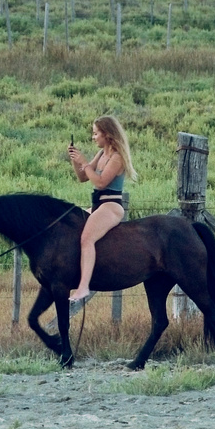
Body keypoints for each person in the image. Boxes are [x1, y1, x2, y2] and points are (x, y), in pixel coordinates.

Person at [65, 115, 137, 312]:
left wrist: (85, 163)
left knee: (86, 239)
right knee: (72, 224)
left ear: (107, 134)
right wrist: (76, 160)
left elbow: (100, 182)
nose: (93, 137)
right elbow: (82, 177)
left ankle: (83, 287)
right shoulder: (101, 154)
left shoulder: (117, 157)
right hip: (97, 206)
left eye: (96, 133)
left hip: (111, 206)